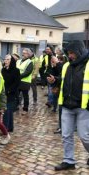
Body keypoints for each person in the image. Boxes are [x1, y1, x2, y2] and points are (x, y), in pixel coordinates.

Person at [54, 40, 89, 171]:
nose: (70, 55)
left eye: (72, 53)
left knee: (84, 136)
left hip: (83, 107)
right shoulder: (66, 65)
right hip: (67, 106)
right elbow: (64, 82)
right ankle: (69, 161)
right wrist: (55, 81)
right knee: (66, 135)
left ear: (79, 51)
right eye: (68, 53)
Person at [2, 54, 20, 132]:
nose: (5, 61)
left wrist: (9, 90)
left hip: (11, 93)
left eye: (8, 59)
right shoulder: (3, 70)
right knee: (7, 111)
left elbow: (17, 83)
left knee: (7, 111)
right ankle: (10, 127)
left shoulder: (16, 70)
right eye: (5, 59)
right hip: (4, 92)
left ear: (11, 61)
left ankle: (5, 128)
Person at [47, 56, 63, 134]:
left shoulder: (60, 65)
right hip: (56, 85)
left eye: (53, 61)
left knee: (61, 108)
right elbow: (51, 74)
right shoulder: (54, 66)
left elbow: (60, 77)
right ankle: (60, 127)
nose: (52, 62)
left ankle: (61, 127)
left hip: (60, 87)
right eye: (51, 61)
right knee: (55, 98)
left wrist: (55, 79)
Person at [16, 48, 34, 115]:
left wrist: (18, 76)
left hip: (25, 82)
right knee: (16, 95)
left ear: (28, 54)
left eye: (25, 53)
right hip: (17, 81)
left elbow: (27, 72)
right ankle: (16, 106)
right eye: (23, 52)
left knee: (25, 96)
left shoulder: (30, 62)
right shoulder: (18, 61)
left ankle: (25, 109)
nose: (23, 54)